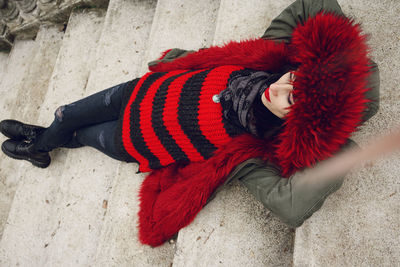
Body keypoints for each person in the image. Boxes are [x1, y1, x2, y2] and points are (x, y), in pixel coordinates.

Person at [0, 0, 380, 247]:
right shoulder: (267, 60)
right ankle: (39, 142)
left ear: (300, 121)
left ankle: (38, 146)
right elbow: (313, 6)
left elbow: (292, 206)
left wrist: (336, 143)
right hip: (138, 92)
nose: (279, 89)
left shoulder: (252, 150)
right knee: (65, 113)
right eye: (293, 80)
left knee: (80, 134)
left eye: (293, 100)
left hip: (132, 139)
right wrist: (336, 56)